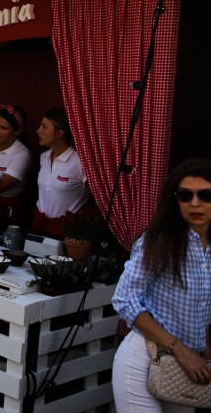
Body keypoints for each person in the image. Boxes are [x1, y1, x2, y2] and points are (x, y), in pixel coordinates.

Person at [112, 159, 211, 412]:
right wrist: (181, 351)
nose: (196, 203)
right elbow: (124, 298)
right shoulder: (159, 241)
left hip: (189, 368)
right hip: (145, 357)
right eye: (185, 195)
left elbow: (205, 314)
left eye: (206, 195)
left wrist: (205, 358)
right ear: (174, 200)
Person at [32, 107, 91, 239]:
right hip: (39, 228)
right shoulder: (44, 157)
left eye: (44, 127)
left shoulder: (80, 162)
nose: (38, 131)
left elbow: (101, 199)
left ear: (59, 133)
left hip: (66, 234)